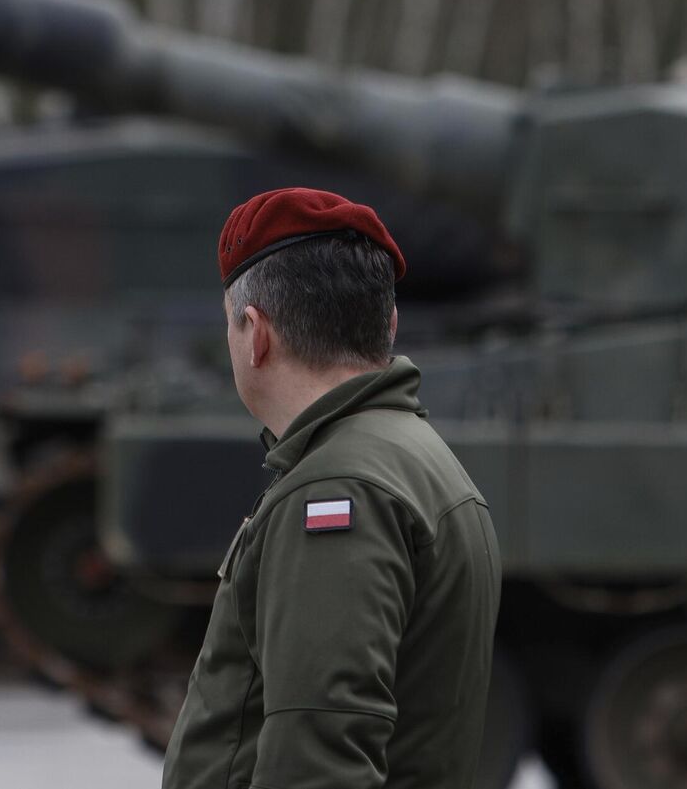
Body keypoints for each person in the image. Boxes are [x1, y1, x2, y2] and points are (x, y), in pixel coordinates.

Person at [161, 187, 502, 789]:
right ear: (388, 324)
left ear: (254, 332)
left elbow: (317, 761)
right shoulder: (415, 459)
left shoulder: (338, 488)